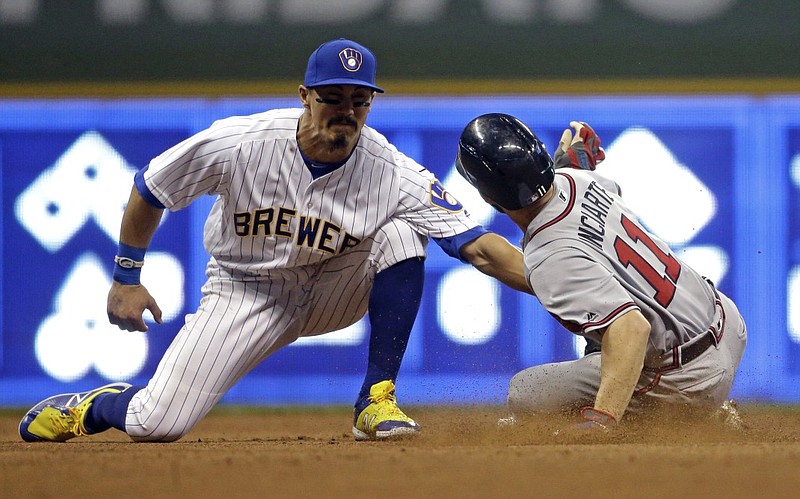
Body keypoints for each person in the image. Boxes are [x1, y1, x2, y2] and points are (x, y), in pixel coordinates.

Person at [18, 39, 533, 443]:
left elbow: (479, 247)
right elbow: (150, 189)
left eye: (359, 100)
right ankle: (90, 407)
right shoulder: (242, 141)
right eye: (331, 98)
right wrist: (126, 277)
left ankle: (376, 398)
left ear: (371, 102)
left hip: (335, 288)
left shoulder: (392, 171)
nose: (345, 112)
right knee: (158, 423)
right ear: (304, 96)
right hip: (245, 291)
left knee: (402, 229)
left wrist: (564, 294)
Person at [454, 113, 747, 431]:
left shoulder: (550, 256)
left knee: (526, 393)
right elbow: (552, 260)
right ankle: (694, 409)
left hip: (687, 380)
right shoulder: (577, 180)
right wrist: (574, 163)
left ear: (488, 197)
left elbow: (631, 328)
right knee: (599, 317)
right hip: (728, 326)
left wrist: (603, 419)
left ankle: (689, 419)